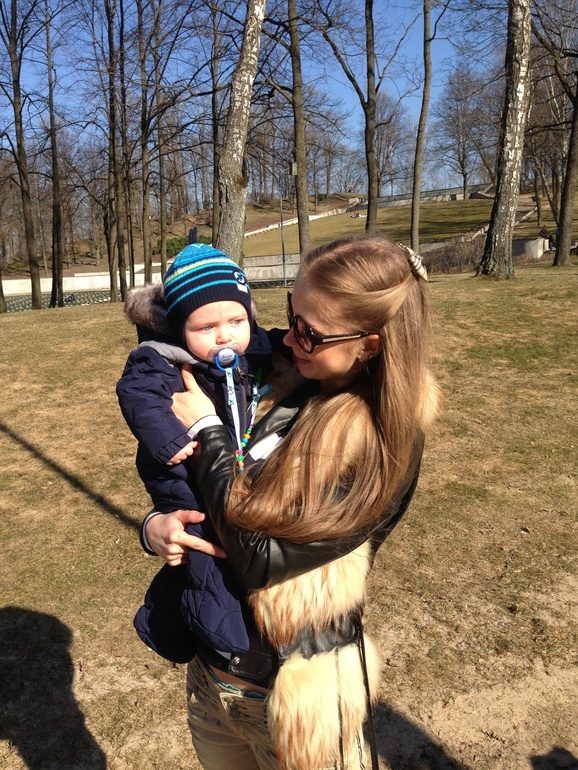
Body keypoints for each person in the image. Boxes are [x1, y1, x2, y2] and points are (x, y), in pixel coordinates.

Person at [144, 236, 439, 770]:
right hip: (213, 678)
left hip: (294, 695)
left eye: (310, 331)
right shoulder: (280, 377)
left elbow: (259, 559)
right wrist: (156, 526)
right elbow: (192, 483)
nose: (287, 337)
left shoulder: (381, 444)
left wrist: (208, 431)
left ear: (370, 345)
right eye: (290, 315)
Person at [117, 242, 275, 662]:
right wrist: (169, 440)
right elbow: (137, 396)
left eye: (237, 321)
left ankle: (180, 622)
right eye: (206, 327)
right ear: (179, 327)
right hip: (180, 469)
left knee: (216, 547)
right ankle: (214, 634)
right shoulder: (160, 359)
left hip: (221, 465)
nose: (225, 335)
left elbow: (274, 341)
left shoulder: (251, 349)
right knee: (206, 543)